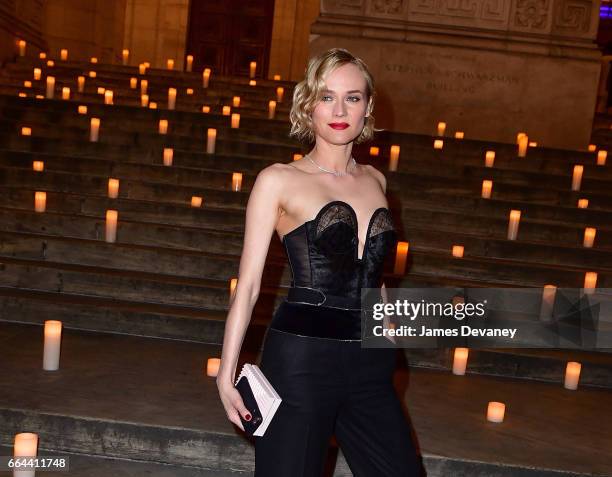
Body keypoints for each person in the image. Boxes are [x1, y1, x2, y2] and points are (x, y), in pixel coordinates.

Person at [216, 47, 421, 476]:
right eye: (327, 97)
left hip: (370, 361)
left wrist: (387, 324)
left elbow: (374, 274)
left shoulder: (376, 180)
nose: (340, 109)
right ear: (308, 106)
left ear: (368, 107)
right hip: (302, 362)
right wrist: (226, 371)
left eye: (353, 97)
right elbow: (249, 286)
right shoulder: (279, 180)